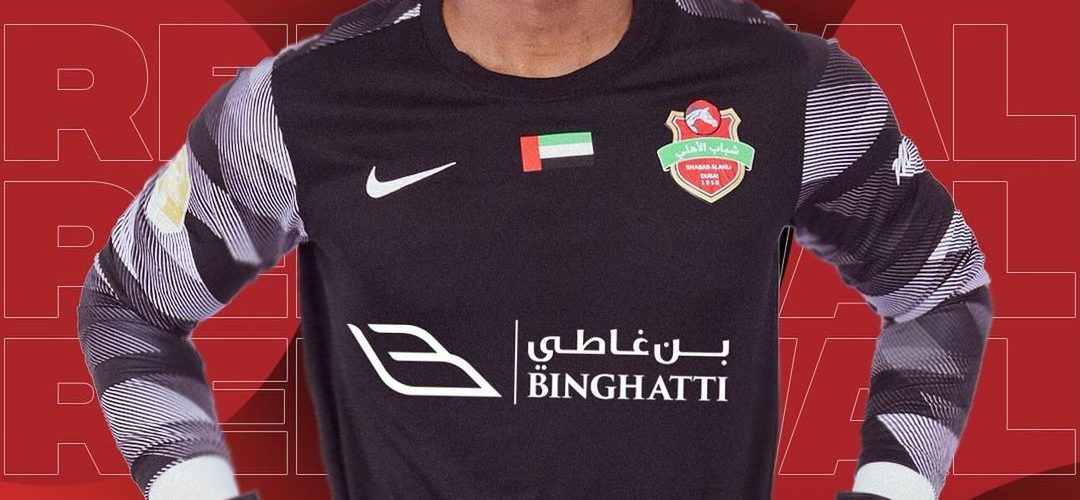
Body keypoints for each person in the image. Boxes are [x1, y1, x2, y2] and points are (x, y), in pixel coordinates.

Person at [75, 0, 993, 499]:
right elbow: (128, 305)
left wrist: (894, 485)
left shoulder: (789, 88)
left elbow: (941, 289)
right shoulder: (302, 105)